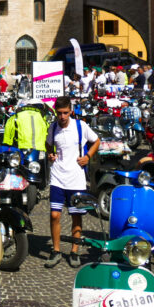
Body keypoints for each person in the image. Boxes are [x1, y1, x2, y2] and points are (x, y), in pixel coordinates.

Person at [45, 96, 99, 268]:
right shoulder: (53, 128)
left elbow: (96, 141)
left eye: (65, 113)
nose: (62, 116)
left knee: (76, 215)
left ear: (71, 111)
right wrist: (51, 154)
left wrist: (87, 157)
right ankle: (56, 250)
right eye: (59, 113)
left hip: (76, 179)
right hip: (58, 176)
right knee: (54, 215)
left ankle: (74, 251)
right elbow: (48, 145)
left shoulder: (80, 126)